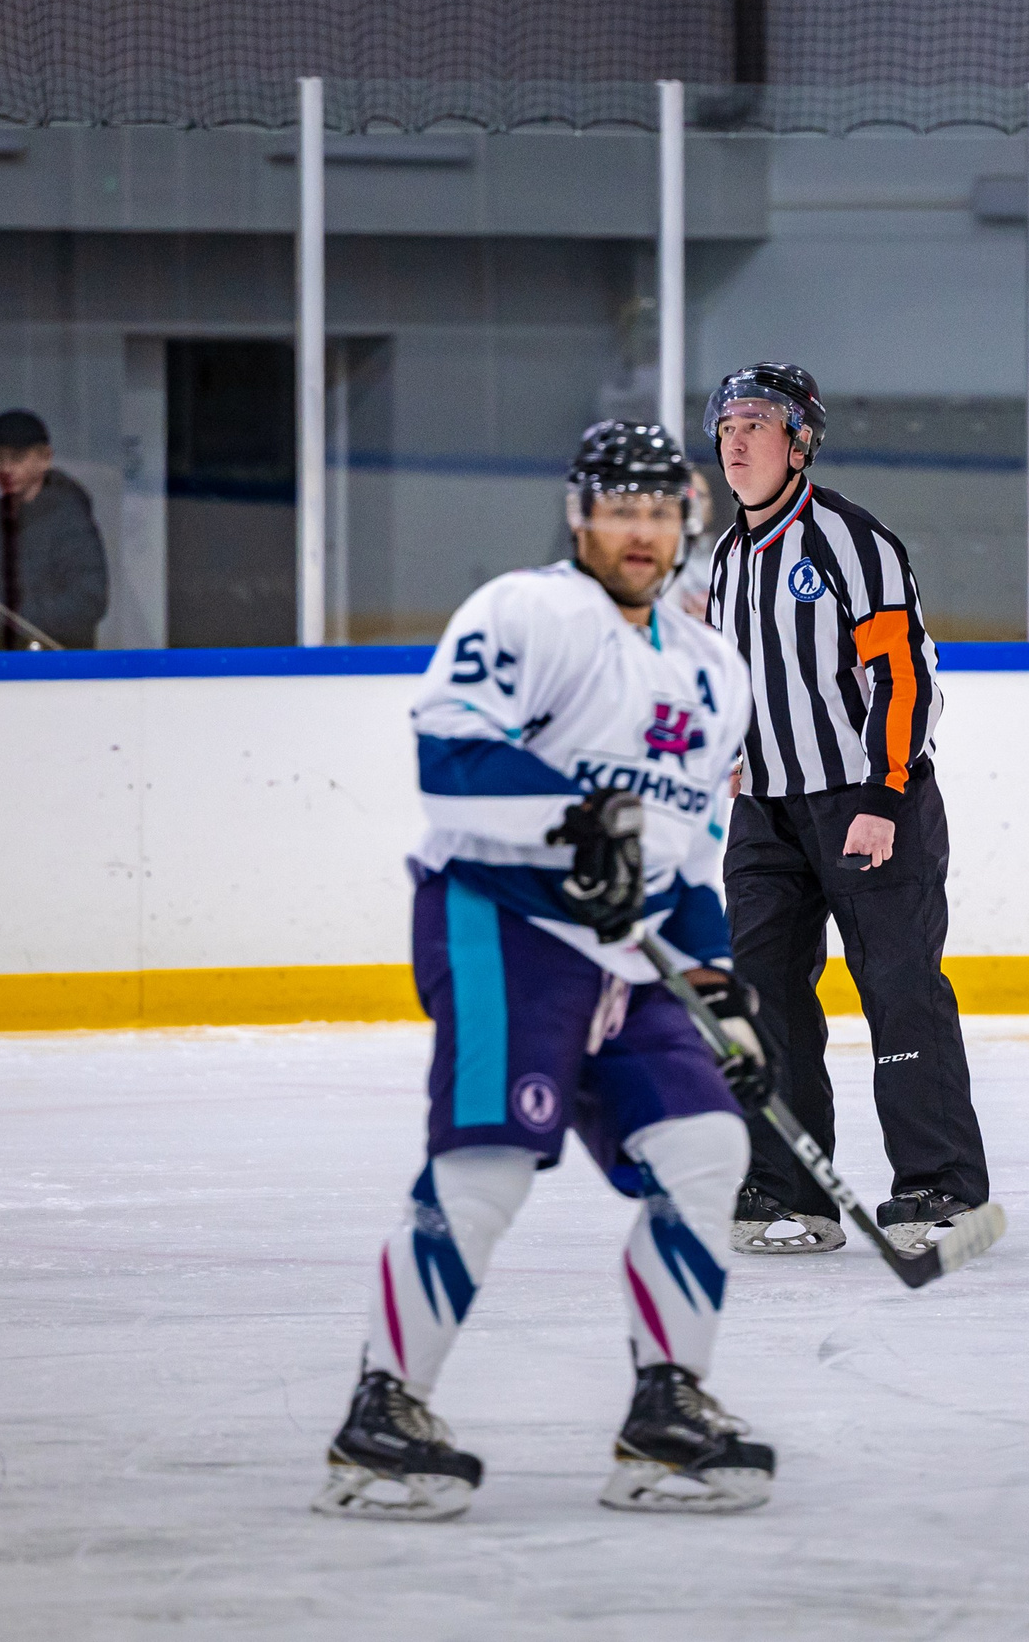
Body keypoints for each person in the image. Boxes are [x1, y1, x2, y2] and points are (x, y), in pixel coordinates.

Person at [312, 421, 772, 1523]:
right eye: (621, 510)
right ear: (580, 515)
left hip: (637, 960)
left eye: (660, 512)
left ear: (687, 522)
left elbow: (687, 852)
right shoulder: (524, 612)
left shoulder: (714, 669)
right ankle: (382, 1416)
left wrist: (712, 981)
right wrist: (579, 820)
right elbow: (449, 760)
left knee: (707, 1148)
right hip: (504, 924)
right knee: (488, 1168)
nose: (640, 532)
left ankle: (665, 1413)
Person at [699, 363, 993, 1260]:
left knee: (900, 991)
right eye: (727, 423)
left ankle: (942, 1187)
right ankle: (791, 1188)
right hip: (767, 812)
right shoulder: (725, 555)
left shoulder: (849, 542)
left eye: (759, 422)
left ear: (800, 442)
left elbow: (902, 676)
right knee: (768, 1002)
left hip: (871, 803)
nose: (738, 439)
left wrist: (882, 794)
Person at [0, 409, 108, 649]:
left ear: (45, 458)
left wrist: (3, 623)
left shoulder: (71, 523)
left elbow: (88, 601)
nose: (5, 468)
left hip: (57, 672)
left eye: (16, 458)